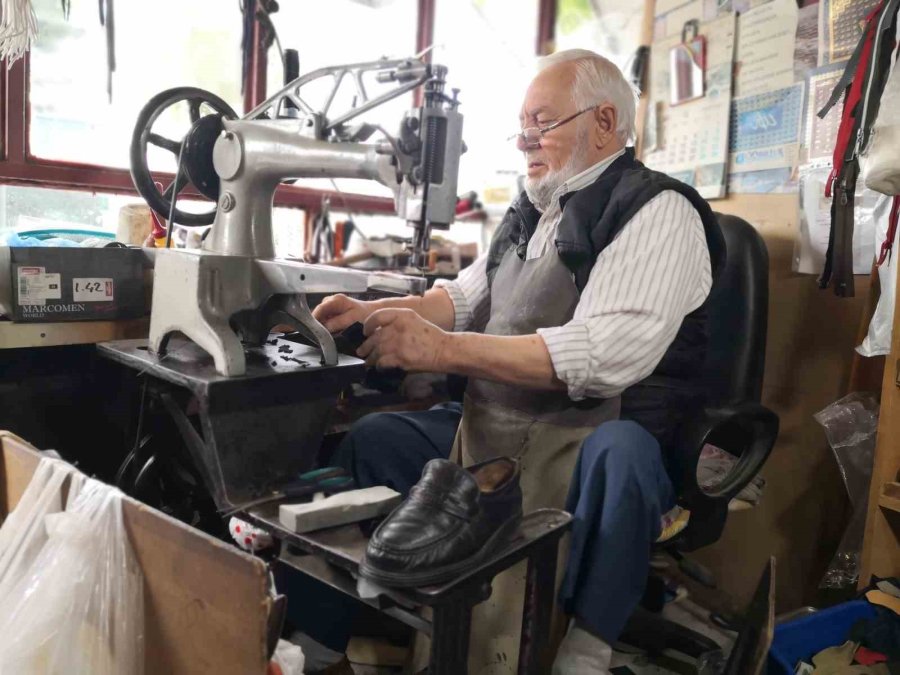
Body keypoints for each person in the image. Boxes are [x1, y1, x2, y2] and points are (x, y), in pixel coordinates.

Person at [312, 48, 724, 674]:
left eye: (544, 122)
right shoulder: (532, 211)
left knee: (622, 454)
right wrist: (373, 313)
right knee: (374, 438)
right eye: (522, 126)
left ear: (605, 123)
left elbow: (602, 356)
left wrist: (442, 349)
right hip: (509, 429)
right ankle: (342, 636)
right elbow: (460, 300)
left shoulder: (658, 212)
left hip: (597, 437)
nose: (526, 139)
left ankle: (587, 645)